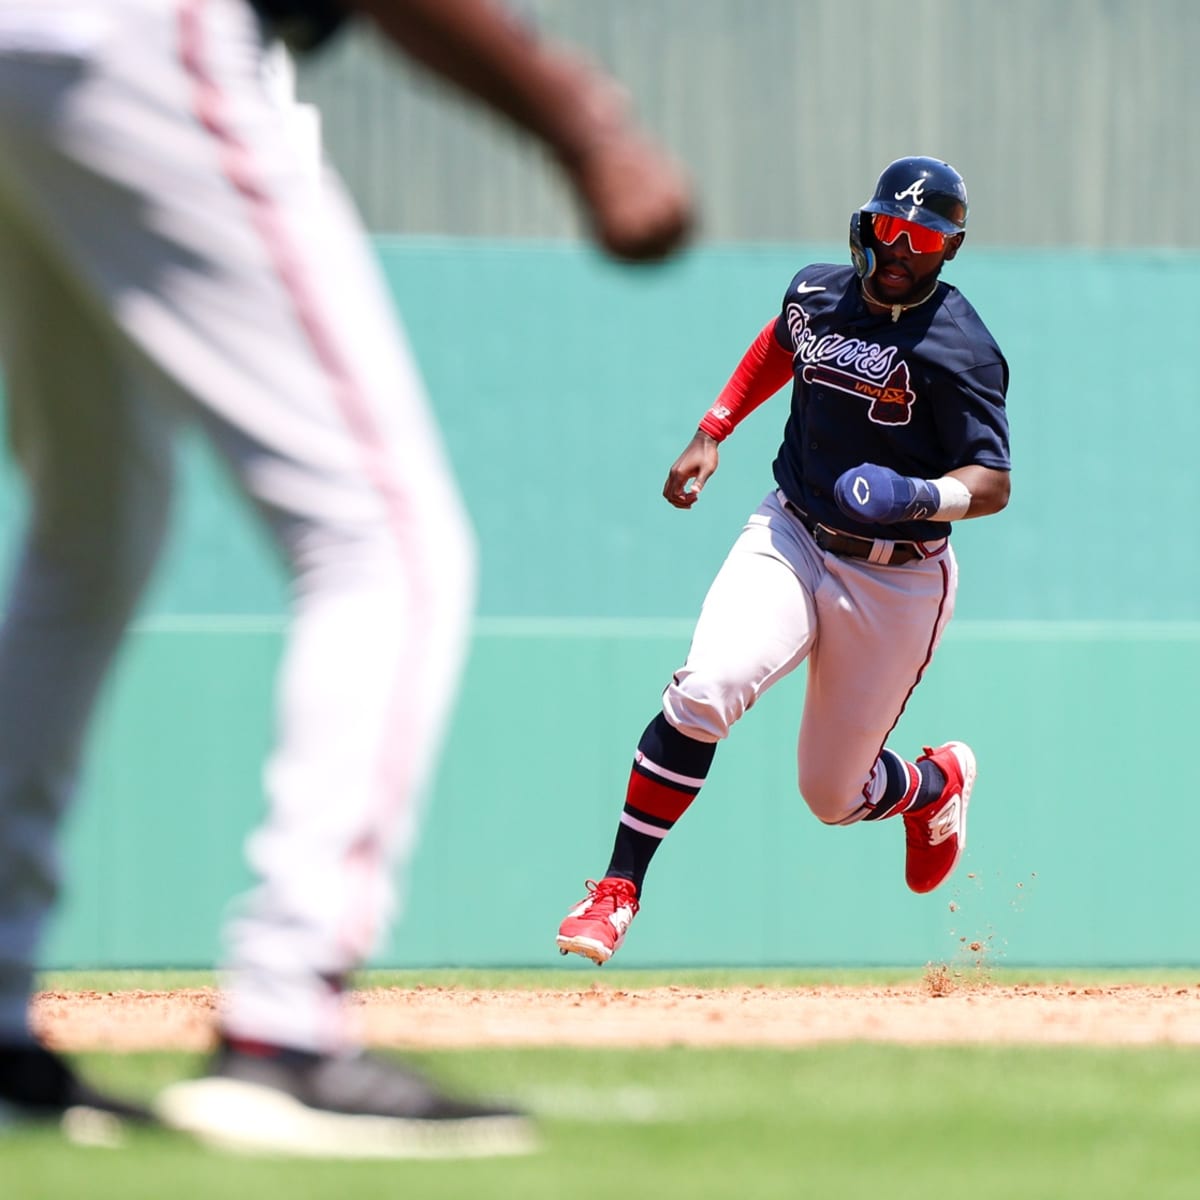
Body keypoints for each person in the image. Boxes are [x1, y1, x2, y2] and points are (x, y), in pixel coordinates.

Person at [0, 0, 691, 1156]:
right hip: (129, 33)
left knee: (92, 527)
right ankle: (286, 1025)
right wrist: (584, 125)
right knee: (386, 539)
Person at [556, 156, 1010, 966]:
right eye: (892, 229)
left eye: (926, 239)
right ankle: (616, 890)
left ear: (951, 250)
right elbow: (782, 342)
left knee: (831, 797)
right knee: (707, 689)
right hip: (792, 531)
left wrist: (918, 494)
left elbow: (993, 481)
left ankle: (932, 785)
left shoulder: (961, 346)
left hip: (896, 573)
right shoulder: (816, 292)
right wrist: (714, 427)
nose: (904, 250)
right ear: (864, 225)